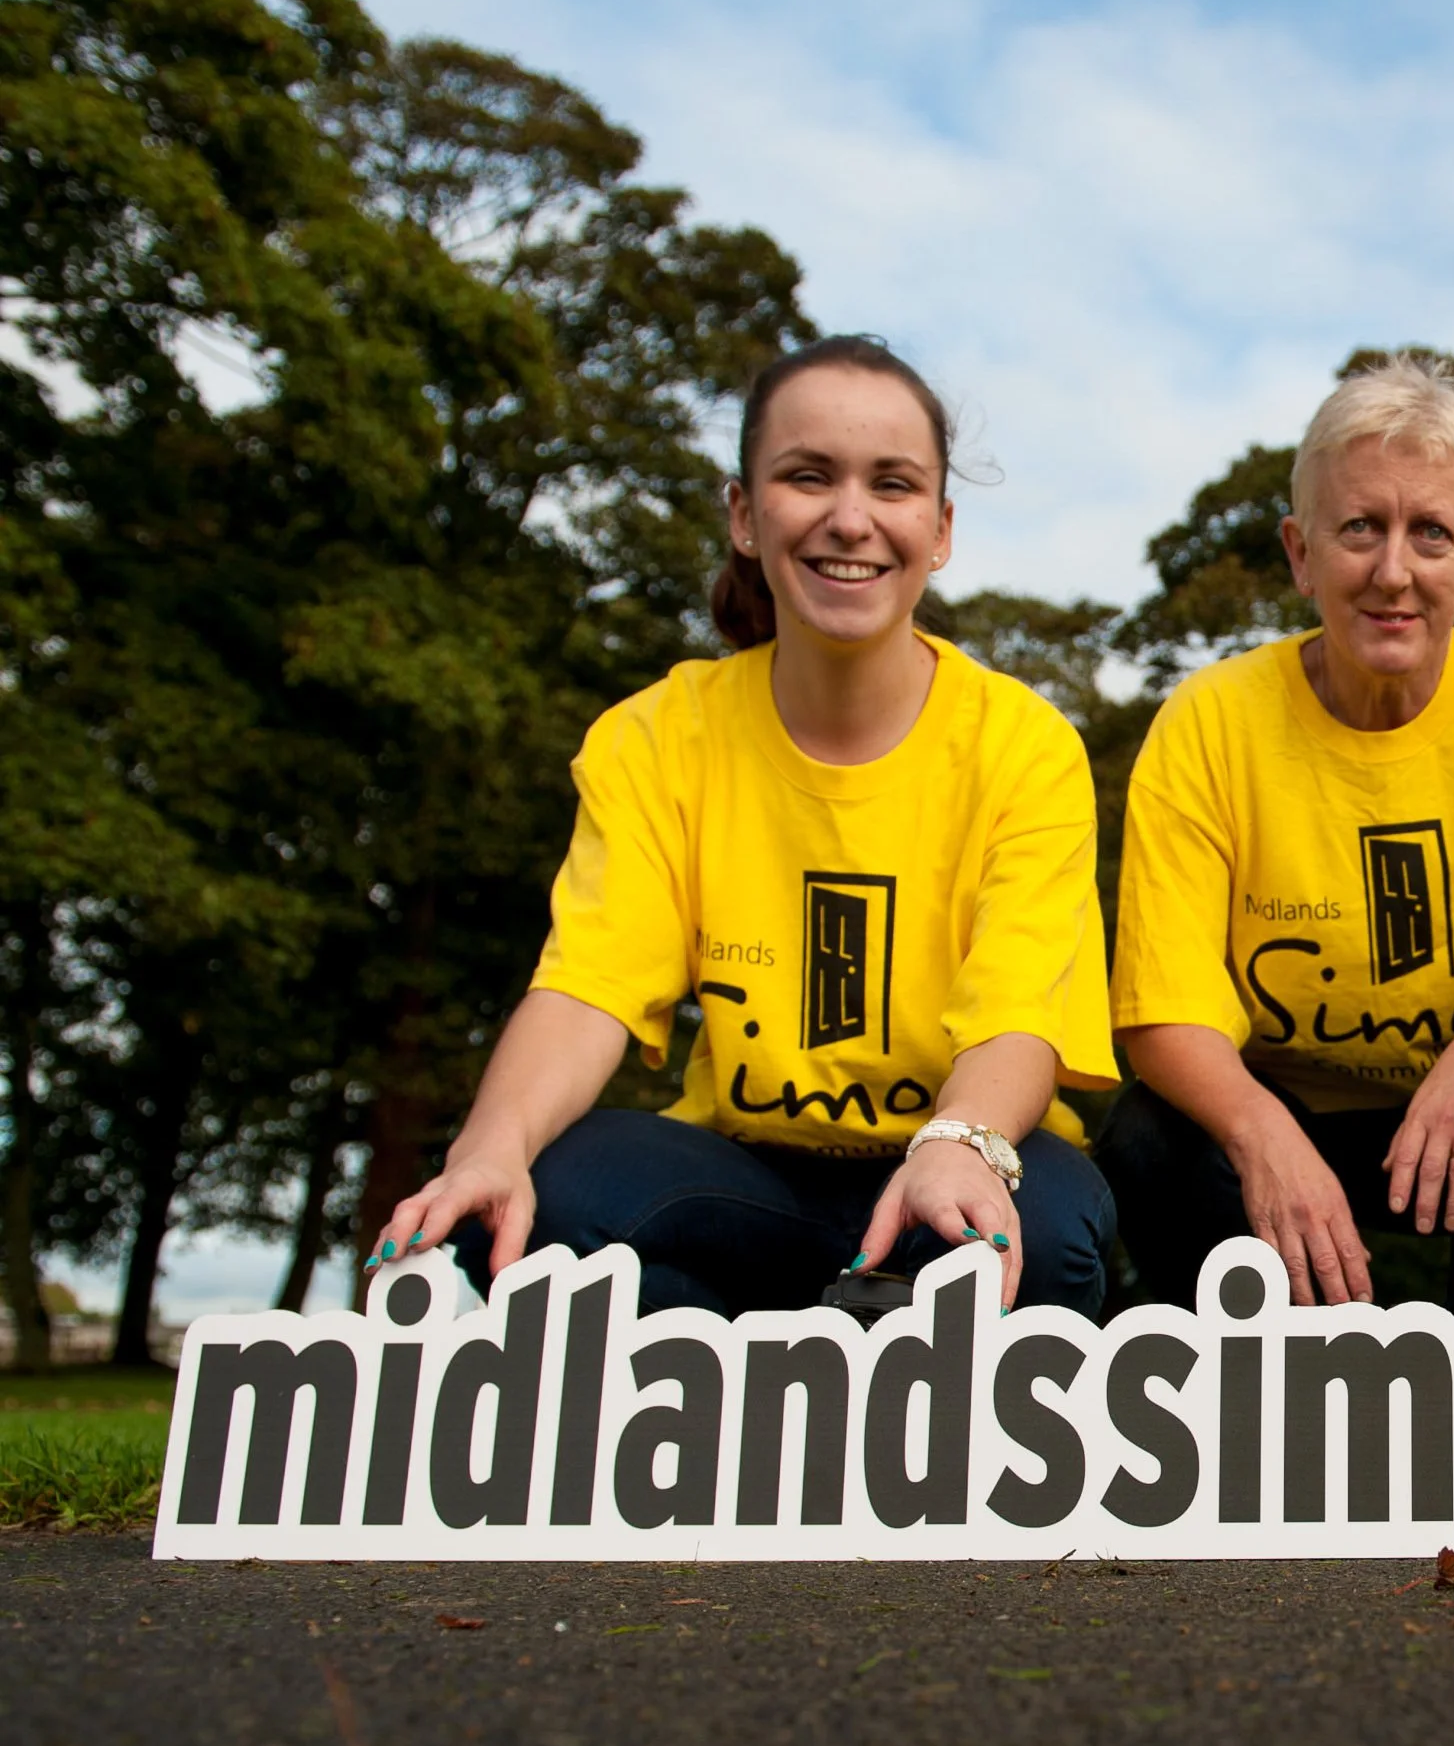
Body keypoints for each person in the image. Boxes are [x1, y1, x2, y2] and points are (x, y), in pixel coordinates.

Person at [366, 336, 1119, 1316]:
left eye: (891, 485)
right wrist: (489, 1146)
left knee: (1046, 1236)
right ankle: (753, 1387)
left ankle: (875, 1367)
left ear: (938, 529)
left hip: (960, 1151)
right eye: (808, 475)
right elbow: (590, 983)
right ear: (744, 515)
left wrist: (959, 1141)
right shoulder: (655, 736)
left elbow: (1019, 1012)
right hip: (742, 1177)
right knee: (545, 1200)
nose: (850, 517)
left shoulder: (1024, 744)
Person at [1098, 356, 1454, 1319]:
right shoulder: (1209, 721)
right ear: (1299, 551)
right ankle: (1279, 1377)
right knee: (1144, 1141)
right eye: (1360, 527)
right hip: (1275, 1105)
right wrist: (1260, 1133)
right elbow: (1163, 1012)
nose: (1393, 570)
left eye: (1432, 533)